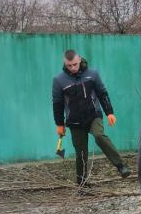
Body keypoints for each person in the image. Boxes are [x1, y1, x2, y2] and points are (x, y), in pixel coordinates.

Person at [52, 50, 130, 189]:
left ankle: (120, 165)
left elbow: (102, 94)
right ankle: (82, 185)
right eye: (69, 65)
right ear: (65, 63)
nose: (73, 68)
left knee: (99, 135)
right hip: (74, 121)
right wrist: (59, 124)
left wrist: (109, 112)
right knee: (81, 154)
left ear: (79, 60)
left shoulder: (92, 74)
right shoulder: (59, 80)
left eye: (75, 64)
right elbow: (57, 103)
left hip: (93, 115)